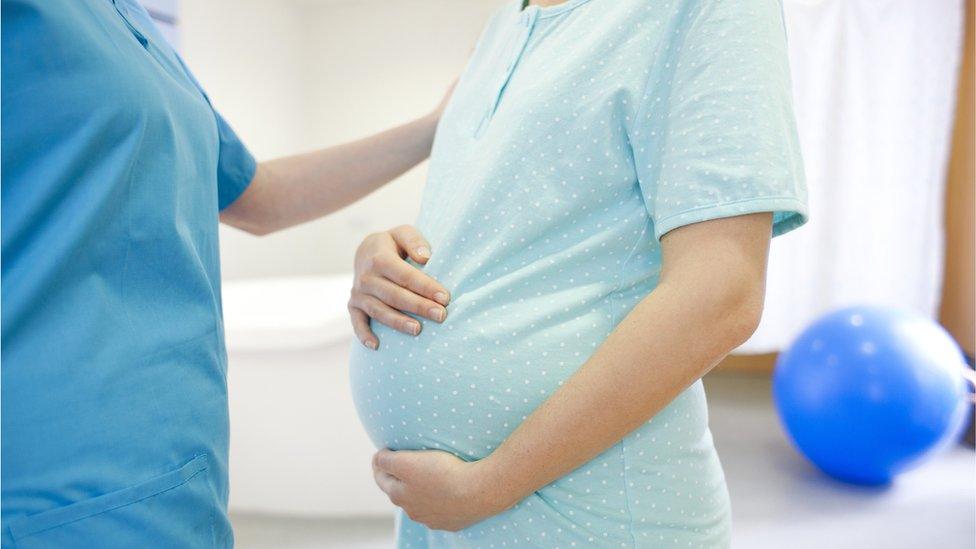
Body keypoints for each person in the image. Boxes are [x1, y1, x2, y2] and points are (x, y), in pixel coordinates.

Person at [349, 0, 808, 546]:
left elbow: (720, 294)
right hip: (445, 517)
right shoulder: (507, 21)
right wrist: (388, 256)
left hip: (585, 513)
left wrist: (488, 487)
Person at [0, 1, 451, 546]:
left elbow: (261, 197)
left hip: (176, 473)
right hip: (50, 483)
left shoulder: (137, 28)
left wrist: (434, 129)